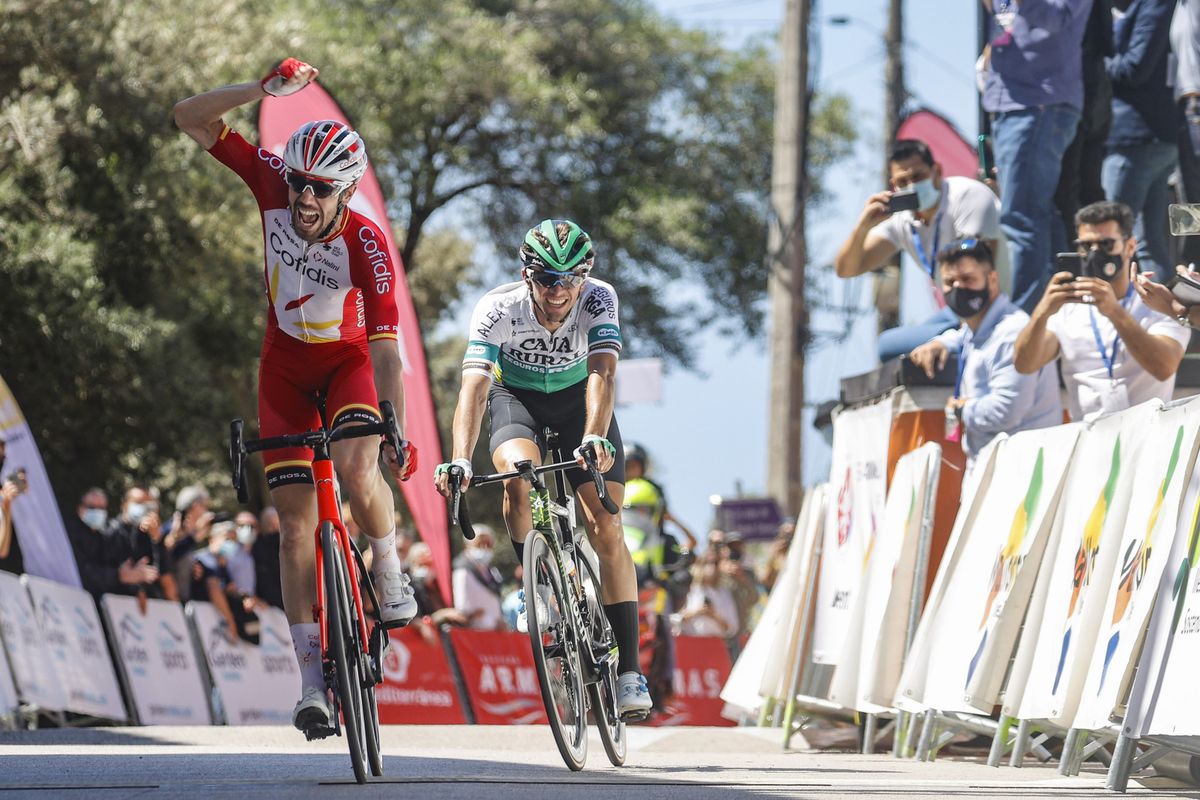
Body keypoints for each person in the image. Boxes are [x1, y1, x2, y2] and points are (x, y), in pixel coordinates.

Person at [174, 57, 420, 737]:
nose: (303, 200)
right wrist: (260, 90)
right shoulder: (271, 185)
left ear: (343, 191)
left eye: (319, 189)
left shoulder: (366, 245)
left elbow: (386, 350)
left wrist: (391, 422)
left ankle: (389, 564)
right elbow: (188, 117)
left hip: (346, 364)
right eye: (297, 184)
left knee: (357, 467)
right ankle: (312, 683)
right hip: (282, 365)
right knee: (293, 529)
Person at [433, 218, 652, 719]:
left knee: (607, 524)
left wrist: (595, 434)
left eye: (570, 279)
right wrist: (461, 457)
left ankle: (629, 672)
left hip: (581, 404)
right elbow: (474, 387)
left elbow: (602, 370)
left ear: (585, 276)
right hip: (519, 399)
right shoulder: (497, 307)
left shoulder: (599, 298)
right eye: (547, 278)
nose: (559, 291)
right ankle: (535, 580)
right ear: (526, 273)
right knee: (517, 477)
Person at [1014, 201, 1189, 419]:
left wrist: (1114, 312)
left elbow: (1163, 367)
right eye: (1087, 246)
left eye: (1106, 244)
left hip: (1147, 441)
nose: (1096, 254)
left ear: (1130, 247)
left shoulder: (1156, 301)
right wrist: (1042, 312)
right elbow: (1025, 364)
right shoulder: (1069, 307)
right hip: (1091, 442)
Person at [834, 139, 1004, 361]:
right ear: (894, 185)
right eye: (903, 181)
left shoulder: (967, 195)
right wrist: (863, 226)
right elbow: (846, 269)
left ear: (937, 171)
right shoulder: (903, 221)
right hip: (955, 312)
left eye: (918, 177)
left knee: (907, 350)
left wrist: (947, 341)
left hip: (990, 305)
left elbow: (974, 280)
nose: (912, 186)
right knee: (887, 346)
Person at [908, 239, 1062, 468]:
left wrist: (961, 409)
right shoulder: (975, 329)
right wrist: (939, 343)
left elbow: (1006, 410)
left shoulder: (1012, 333)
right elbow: (966, 338)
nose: (958, 288)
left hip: (1020, 473)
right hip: (989, 469)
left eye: (968, 279)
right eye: (950, 282)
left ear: (992, 280)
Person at [981, 0, 1092, 313]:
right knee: (1037, 214)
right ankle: (1060, 311)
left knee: (1022, 217)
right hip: (1007, 100)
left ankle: (1024, 320)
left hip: (1039, 103)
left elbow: (1059, 18)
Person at [1102, 0, 1178, 281]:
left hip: (1137, 137)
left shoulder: (1155, 4)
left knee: (1110, 236)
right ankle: (1165, 319)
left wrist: (1089, 60)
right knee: (1147, 244)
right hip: (1148, 137)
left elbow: (1135, 67)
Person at [65, 488, 158, 601]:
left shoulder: (100, 535)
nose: (97, 512)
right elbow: (83, 571)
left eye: (101, 508)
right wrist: (118, 575)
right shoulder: (69, 532)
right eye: (92, 507)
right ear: (80, 507)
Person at [107, 487, 176, 600]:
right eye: (138, 503)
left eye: (147, 504)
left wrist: (157, 539)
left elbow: (159, 571)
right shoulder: (111, 530)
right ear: (125, 504)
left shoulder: (145, 534)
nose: (143, 508)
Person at [1174, 0, 1200, 268]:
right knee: (1188, 203)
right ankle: (1190, 272)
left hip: (1196, 104)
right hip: (1185, 108)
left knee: (1193, 202)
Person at [451, 525, 506, 630]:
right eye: (479, 544)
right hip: (473, 632)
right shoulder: (462, 571)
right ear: (467, 545)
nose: (484, 548)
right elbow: (462, 608)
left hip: (494, 631)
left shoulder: (492, 572)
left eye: (488, 544)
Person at [253, 506, 284, 609]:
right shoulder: (257, 548)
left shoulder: (287, 544)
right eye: (269, 524)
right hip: (269, 605)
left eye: (275, 524)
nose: (273, 528)